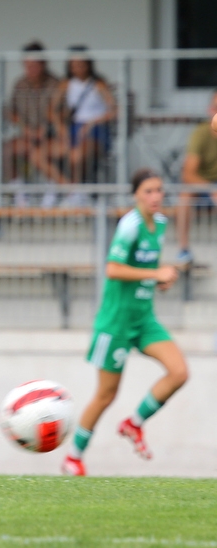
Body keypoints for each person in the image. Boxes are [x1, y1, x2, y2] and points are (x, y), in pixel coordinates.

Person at [62, 169, 188, 476]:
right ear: (136, 195)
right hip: (116, 322)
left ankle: (134, 423)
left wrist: (159, 279)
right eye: (148, 191)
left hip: (144, 319)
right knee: (106, 395)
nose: (155, 196)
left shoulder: (159, 224)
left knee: (179, 372)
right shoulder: (130, 225)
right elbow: (114, 269)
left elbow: (144, 265)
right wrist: (155, 274)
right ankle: (73, 458)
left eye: (159, 190)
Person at [40, 46, 117, 191]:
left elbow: (115, 110)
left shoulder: (98, 84)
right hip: (74, 130)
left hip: (96, 131)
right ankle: (69, 189)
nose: (78, 68)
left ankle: (78, 190)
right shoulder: (65, 84)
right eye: (74, 65)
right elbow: (52, 109)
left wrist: (93, 122)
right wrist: (60, 127)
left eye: (81, 64)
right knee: (39, 155)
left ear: (88, 65)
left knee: (76, 156)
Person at [6, 41, 61, 184]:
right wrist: (25, 129)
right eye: (27, 65)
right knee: (1, 152)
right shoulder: (20, 84)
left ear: (43, 64)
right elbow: (11, 112)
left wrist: (46, 128)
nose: (31, 69)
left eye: (35, 65)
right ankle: (18, 190)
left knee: (39, 155)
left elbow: (61, 113)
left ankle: (55, 189)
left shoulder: (56, 84)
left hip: (52, 137)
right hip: (27, 136)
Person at [175, 90, 217, 264]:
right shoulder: (201, 133)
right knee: (185, 195)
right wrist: (212, 189)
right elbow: (188, 174)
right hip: (205, 187)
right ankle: (183, 250)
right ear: (210, 110)